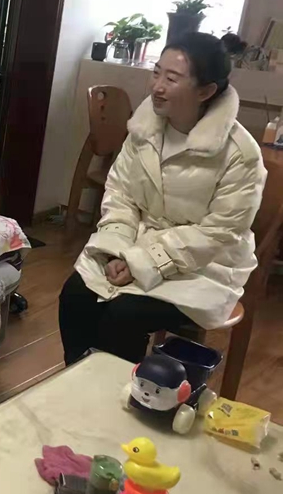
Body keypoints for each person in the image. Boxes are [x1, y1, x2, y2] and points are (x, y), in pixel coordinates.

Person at [59, 33, 267, 365]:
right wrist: (117, 251)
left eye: (171, 79)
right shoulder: (143, 131)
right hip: (136, 246)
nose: (157, 86)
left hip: (205, 266)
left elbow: (219, 233)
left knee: (123, 315)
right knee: (75, 295)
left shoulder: (240, 153)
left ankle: (121, 392)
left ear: (205, 91)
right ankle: (78, 379)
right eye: (156, 73)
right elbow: (120, 195)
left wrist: (143, 262)